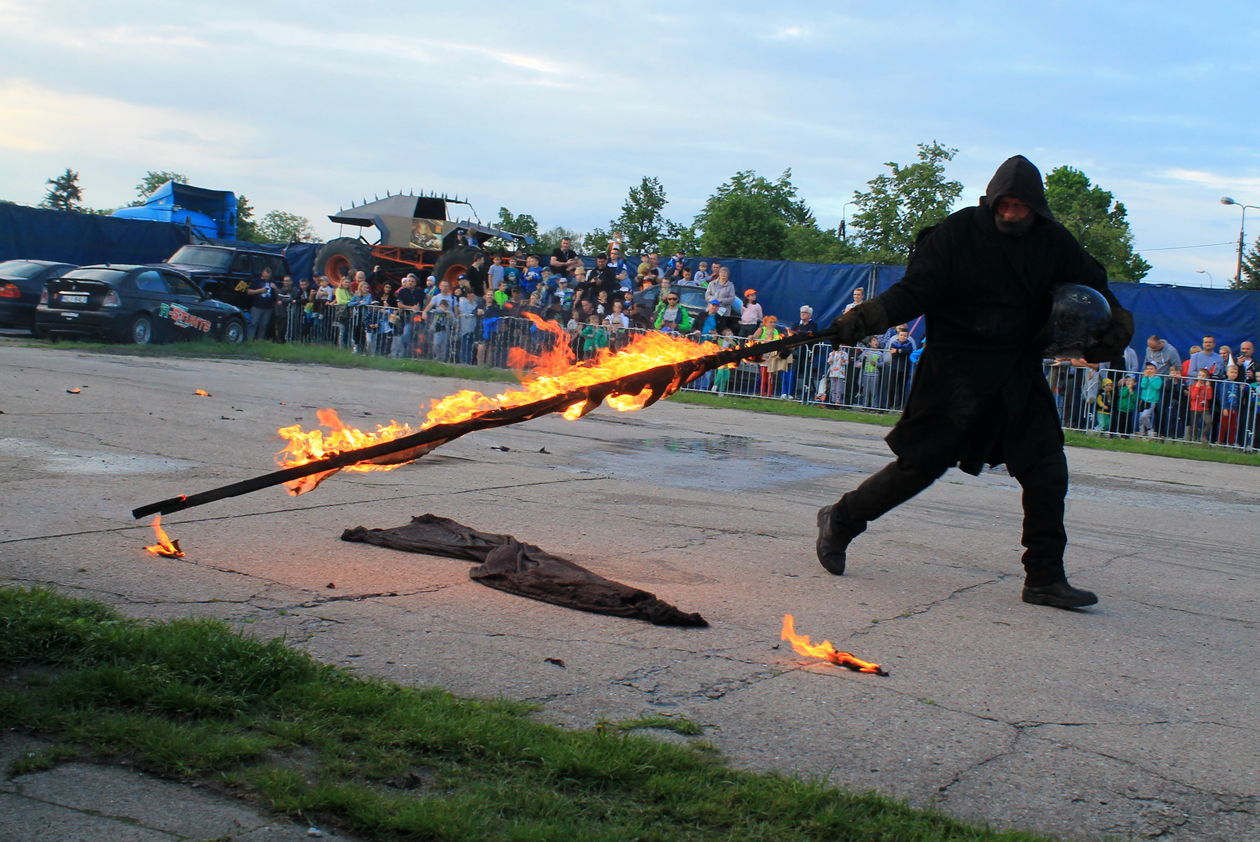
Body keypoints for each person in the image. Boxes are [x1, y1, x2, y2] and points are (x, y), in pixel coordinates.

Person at [817, 155, 1133, 609]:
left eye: (1019, 208)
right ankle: (841, 520)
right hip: (955, 370)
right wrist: (867, 318)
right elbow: (914, 291)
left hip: (1016, 371)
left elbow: (1095, 287)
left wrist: (1117, 325)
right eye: (1003, 205)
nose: (1010, 214)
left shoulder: (1054, 242)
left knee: (1046, 468)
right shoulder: (957, 234)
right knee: (920, 466)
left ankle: (1044, 577)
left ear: (1035, 208)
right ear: (991, 201)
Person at [246, 266, 277, 341]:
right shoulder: (256, 281)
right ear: (262, 273)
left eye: (268, 276)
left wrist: (275, 288)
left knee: (264, 325)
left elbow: (278, 294)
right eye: (266, 276)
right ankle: (249, 339)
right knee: (253, 323)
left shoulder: (272, 282)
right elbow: (249, 292)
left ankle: (259, 340)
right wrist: (259, 291)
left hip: (268, 308)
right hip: (257, 306)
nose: (267, 278)